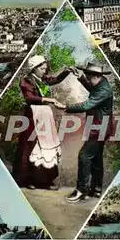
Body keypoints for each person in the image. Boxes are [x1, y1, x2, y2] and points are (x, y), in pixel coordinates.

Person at [56, 62, 114, 202]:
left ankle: (81, 190)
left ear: (95, 76)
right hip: (100, 127)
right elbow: (92, 88)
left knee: (84, 156)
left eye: (88, 77)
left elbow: (87, 104)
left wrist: (65, 106)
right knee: (96, 158)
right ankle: (96, 190)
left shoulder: (104, 90)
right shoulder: (101, 83)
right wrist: (80, 77)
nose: (87, 80)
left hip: (98, 129)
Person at [12, 55, 71, 190]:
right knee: (31, 146)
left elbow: (55, 79)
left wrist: (66, 71)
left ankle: (46, 180)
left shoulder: (43, 80)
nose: (44, 70)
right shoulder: (25, 81)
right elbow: (30, 98)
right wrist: (50, 100)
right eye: (42, 68)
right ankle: (27, 180)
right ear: (34, 69)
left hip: (44, 116)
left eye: (45, 68)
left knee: (47, 146)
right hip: (33, 116)